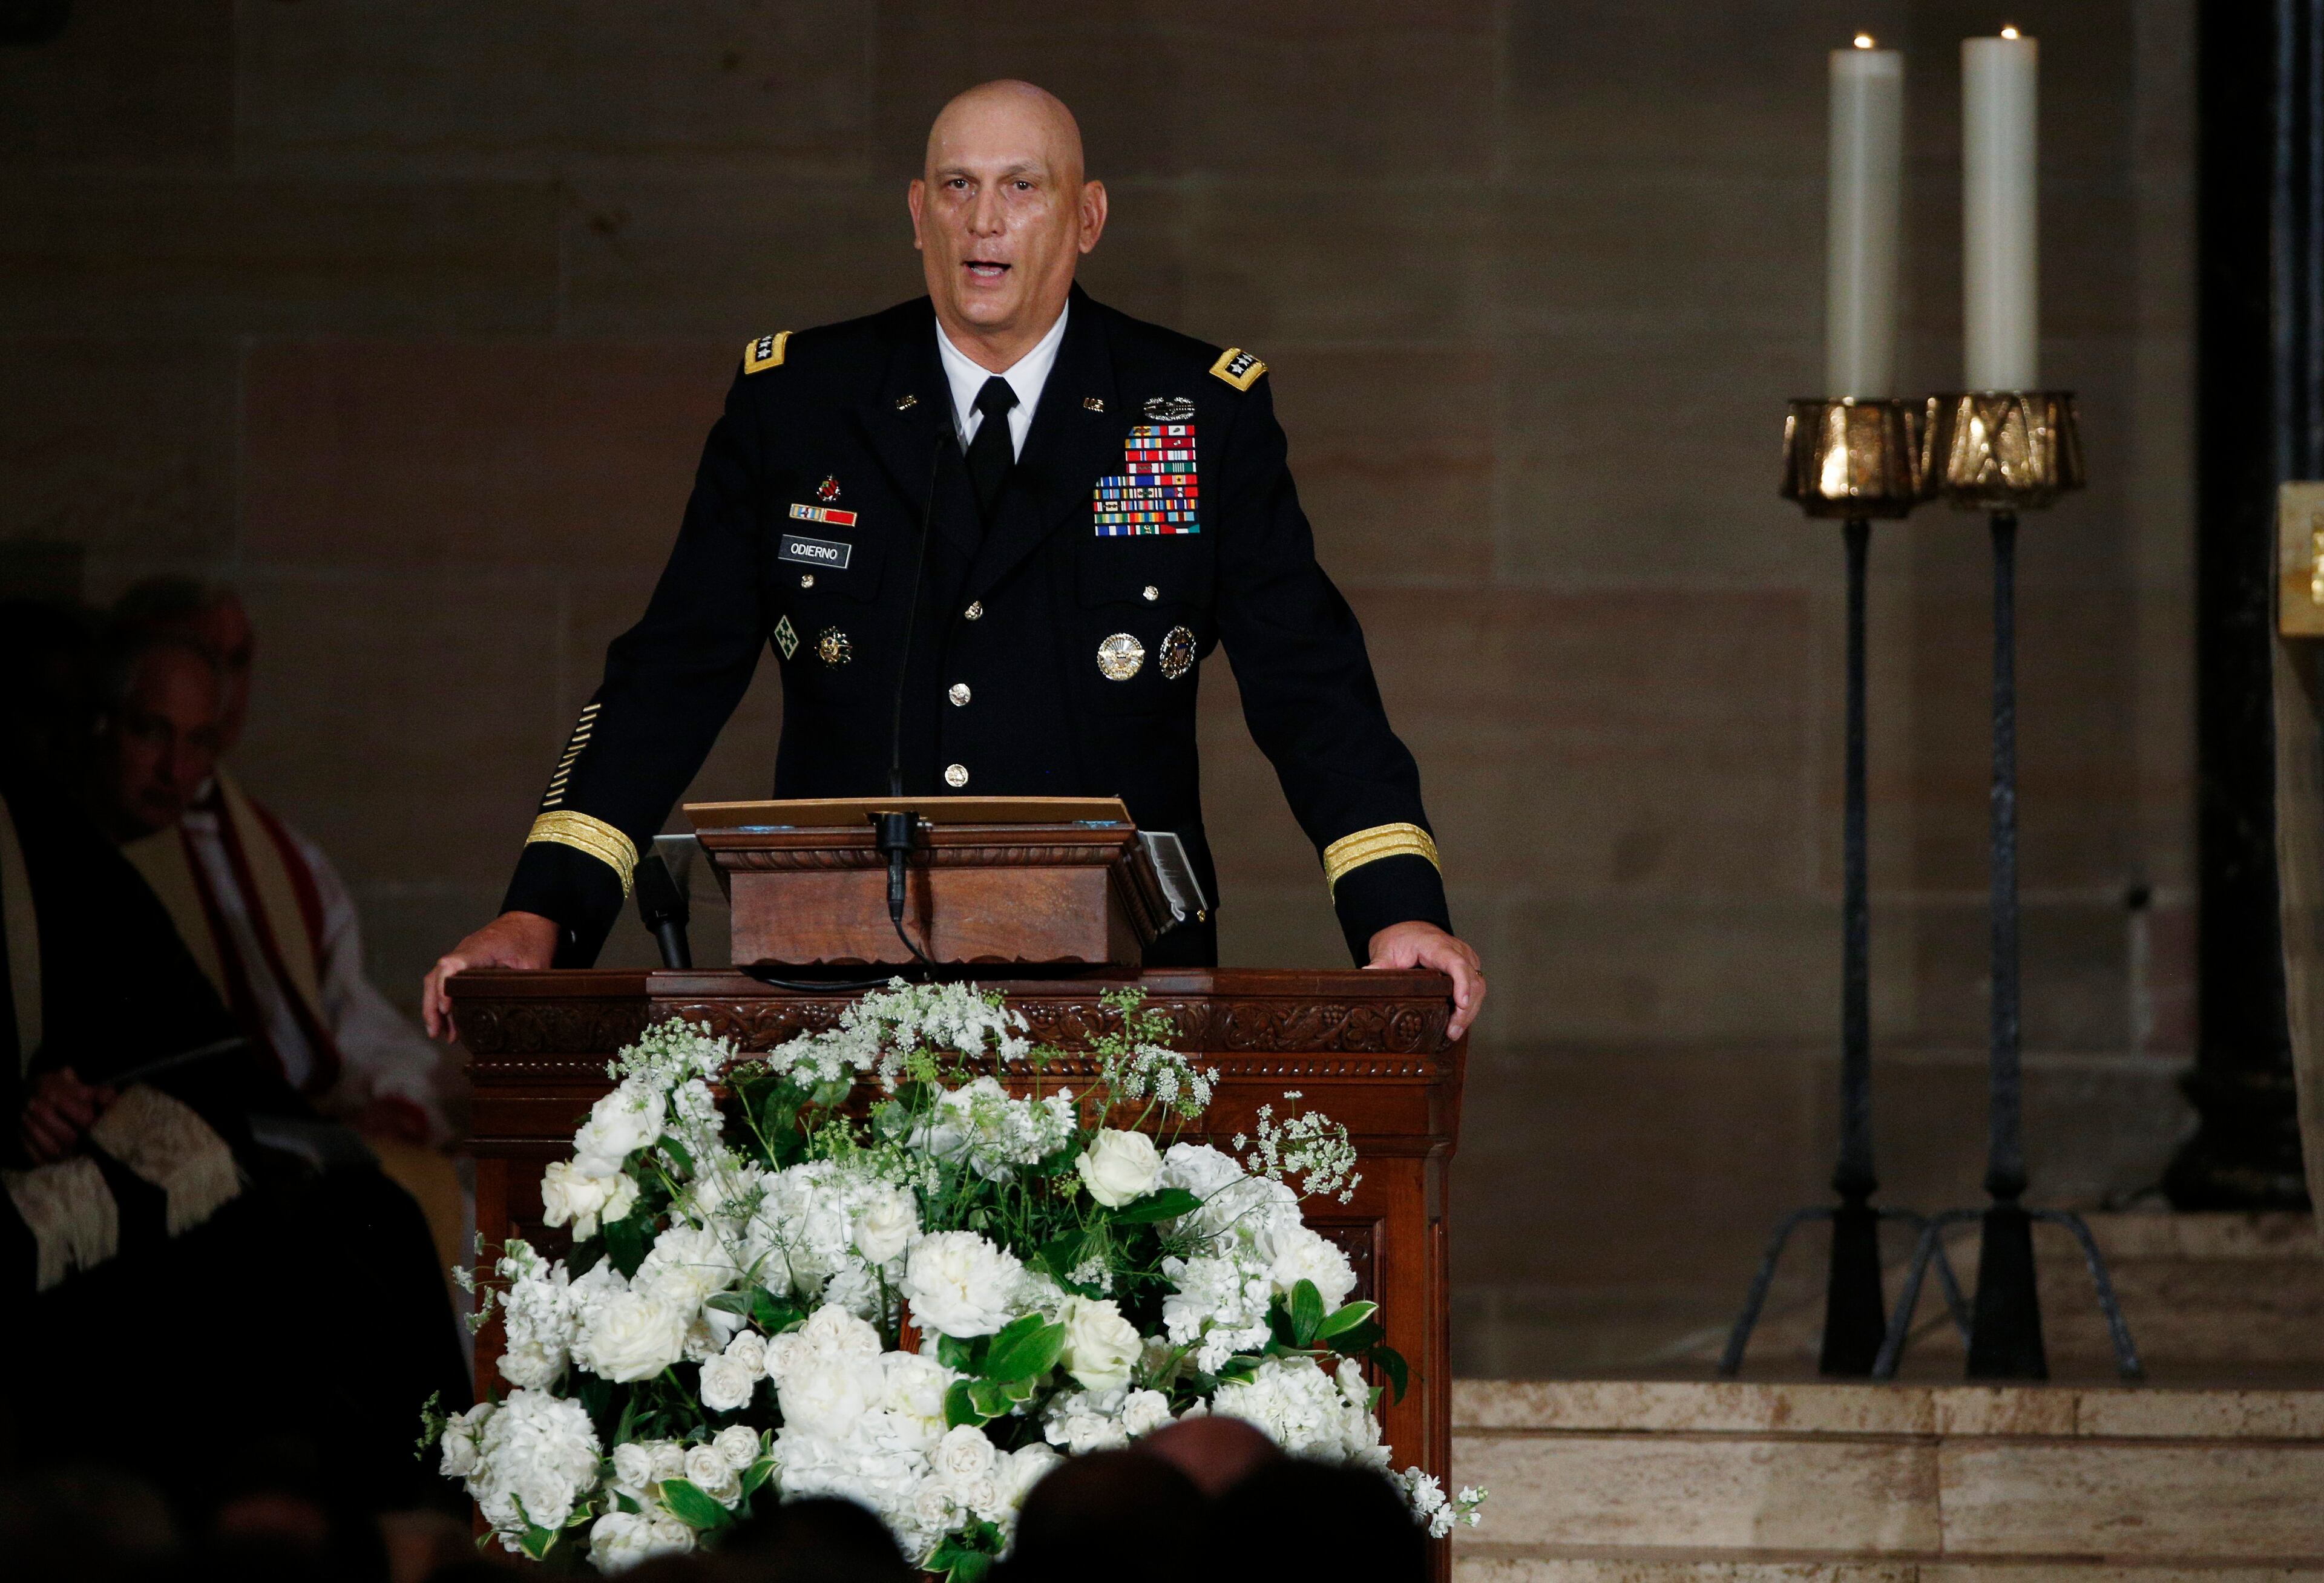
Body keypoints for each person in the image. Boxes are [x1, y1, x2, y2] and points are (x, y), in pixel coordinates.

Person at [422, 80, 1485, 1038]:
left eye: (1023, 186)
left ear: (1088, 217)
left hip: (1117, 1002)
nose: (986, 221)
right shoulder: (800, 403)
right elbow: (669, 675)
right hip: (835, 988)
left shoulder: (1198, 411)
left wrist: (1397, 912)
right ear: (916, 213)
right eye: (958, 186)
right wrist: (544, 910)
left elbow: (1314, 687)